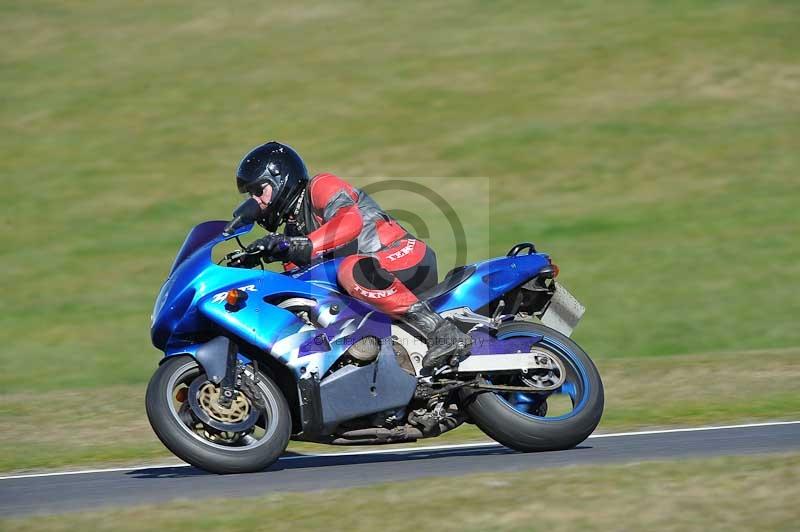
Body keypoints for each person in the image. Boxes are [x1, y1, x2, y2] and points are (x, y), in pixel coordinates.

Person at [234, 141, 471, 370]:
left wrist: (296, 244)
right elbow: (300, 287)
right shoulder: (292, 231)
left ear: (280, 180)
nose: (256, 202)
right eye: (250, 197)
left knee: (351, 268)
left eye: (259, 191)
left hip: (400, 255)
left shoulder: (319, 186)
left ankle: (442, 332)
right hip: (369, 285)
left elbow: (349, 221)